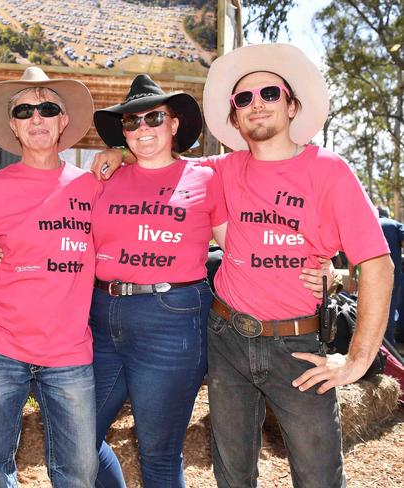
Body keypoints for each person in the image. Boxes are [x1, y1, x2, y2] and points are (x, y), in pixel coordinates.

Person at [94, 43, 391, 487]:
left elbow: (378, 264)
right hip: (227, 337)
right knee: (231, 475)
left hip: (297, 346)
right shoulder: (221, 169)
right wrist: (121, 152)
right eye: (244, 99)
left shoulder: (330, 171)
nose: (257, 105)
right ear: (234, 117)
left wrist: (357, 361)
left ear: (292, 106)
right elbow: (162, 160)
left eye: (270, 94)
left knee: (318, 477)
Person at [89, 75, 226, 487]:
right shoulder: (103, 177)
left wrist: (310, 262)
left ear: (174, 124)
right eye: (131, 123)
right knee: (75, 436)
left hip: (173, 319)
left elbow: (238, 248)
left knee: (159, 453)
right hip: (102, 315)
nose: (142, 129)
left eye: (154, 118)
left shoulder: (206, 176)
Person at [0, 67, 100, 487]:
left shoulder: (93, 187)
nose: (36, 118)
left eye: (48, 108)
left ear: (64, 120)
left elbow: (162, 166)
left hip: (69, 352)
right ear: (13, 125)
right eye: (24, 110)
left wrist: (123, 152)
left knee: (79, 471)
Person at [375, 206, 404, 345]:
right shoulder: (394, 224)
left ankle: (378, 345)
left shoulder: (370, 224)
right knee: (391, 309)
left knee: (374, 309)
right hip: (392, 275)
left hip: (371, 275)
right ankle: (389, 346)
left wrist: (353, 277)